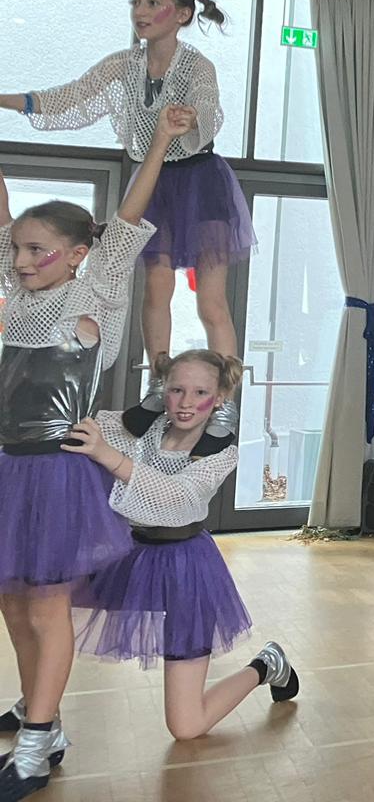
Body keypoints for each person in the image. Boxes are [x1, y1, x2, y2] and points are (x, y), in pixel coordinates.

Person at [0, 106, 184, 798]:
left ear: (78, 253)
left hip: (56, 474)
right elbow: (2, 213)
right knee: (13, 604)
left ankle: (38, 741)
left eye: (36, 251)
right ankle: (37, 714)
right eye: (17, 250)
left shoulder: (94, 291)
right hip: (8, 467)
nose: (21, 261)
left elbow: (128, 215)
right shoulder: (17, 296)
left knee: (46, 607)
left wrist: (160, 140)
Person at [3, 0, 256, 362]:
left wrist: (192, 118)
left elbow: (207, 107)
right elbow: (71, 97)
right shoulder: (124, 63)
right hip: (153, 178)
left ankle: (225, 387)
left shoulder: (196, 65)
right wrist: (6, 100)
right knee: (156, 288)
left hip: (200, 180)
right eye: (136, 3)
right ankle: (159, 378)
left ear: (182, 14)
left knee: (211, 300)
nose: (141, 11)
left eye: (153, 3)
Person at [67, 351, 300, 739]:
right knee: (45, 608)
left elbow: (175, 499)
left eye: (200, 392)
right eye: (176, 390)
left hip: (184, 570)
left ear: (220, 397)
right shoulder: (141, 430)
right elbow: (88, 424)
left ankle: (267, 664)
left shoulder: (221, 454)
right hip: (126, 556)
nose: (186, 402)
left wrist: (106, 456)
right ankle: (39, 716)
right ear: (163, 391)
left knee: (186, 726)